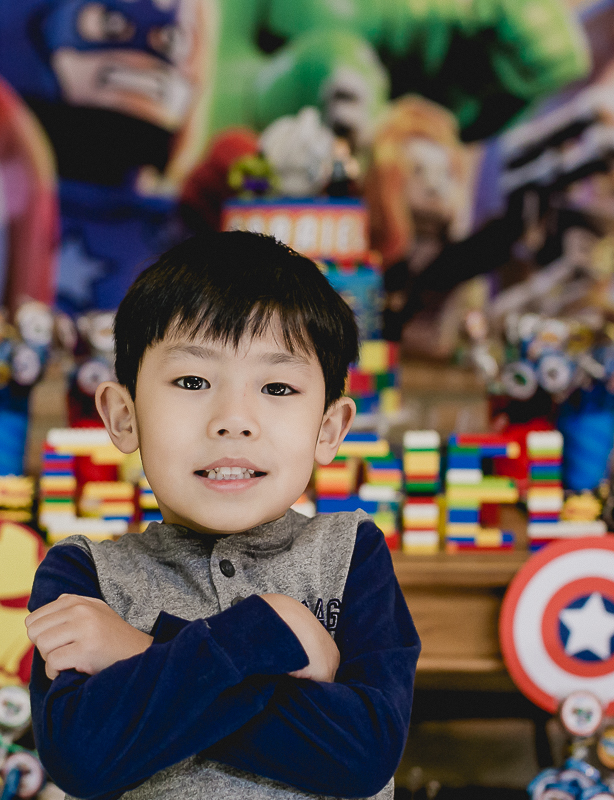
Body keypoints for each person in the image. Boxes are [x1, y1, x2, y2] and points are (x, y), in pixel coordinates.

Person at [25, 231, 420, 799]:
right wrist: (270, 629)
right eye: (192, 381)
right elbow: (81, 754)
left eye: (277, 387)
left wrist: (138, 652)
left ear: (328, 430)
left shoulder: (351, 554)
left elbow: (361, 753)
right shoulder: (82, 576)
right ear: (123, 416)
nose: (234, 420)